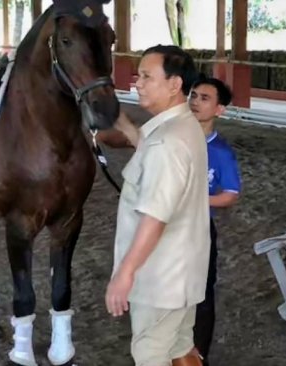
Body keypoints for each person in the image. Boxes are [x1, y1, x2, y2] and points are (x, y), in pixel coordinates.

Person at [104, 44, 208, 366]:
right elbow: (149, 147)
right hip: (182, 272)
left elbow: (155, 217)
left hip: (160, 278)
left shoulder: (168, 142)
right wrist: (121, 122)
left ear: (175, 85)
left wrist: (125, 273)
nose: (138, 82)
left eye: (148, 76)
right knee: (180, 348)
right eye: (139, 75)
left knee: (150, 354)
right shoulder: (182, 127)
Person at [188, 76, 241, 365]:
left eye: (204, 98)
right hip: (165, 229)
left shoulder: (221, 152)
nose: (195, 101)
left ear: (219, 109)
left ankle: (199, 355)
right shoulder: (175, 141)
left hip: (198, 231)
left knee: (201, 294)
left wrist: (197, 200)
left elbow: (230, 194)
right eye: (193, 95)